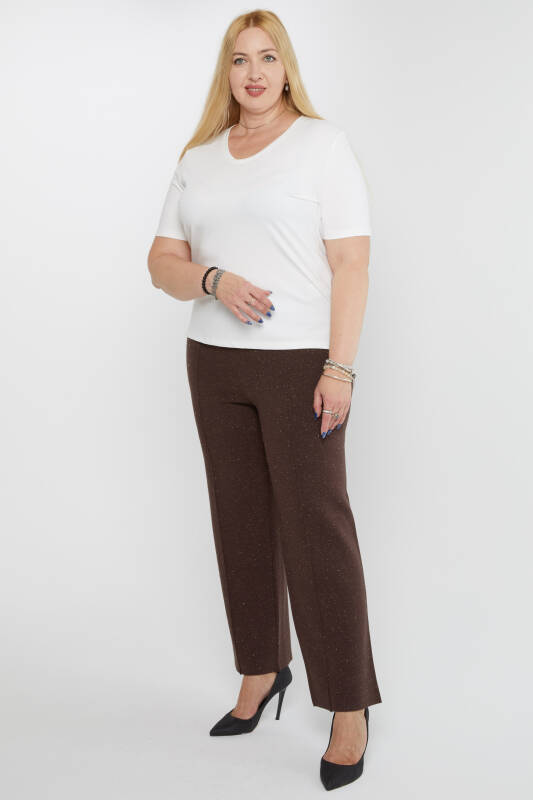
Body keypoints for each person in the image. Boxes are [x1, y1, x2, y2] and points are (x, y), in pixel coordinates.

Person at [147, 9, 382, 791]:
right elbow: (161, 262)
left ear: (287, 70)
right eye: (240, 59)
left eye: (268, 58)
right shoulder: (199, 158)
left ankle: (347, 704)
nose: (253, 73)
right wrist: (212, 280)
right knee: (239, 521)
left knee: (316, 530)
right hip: (213, 362)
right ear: (227, 72)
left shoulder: (322, 146)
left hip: (299, 363)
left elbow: (351, 265)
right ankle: (260, 668)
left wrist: (339, 369)